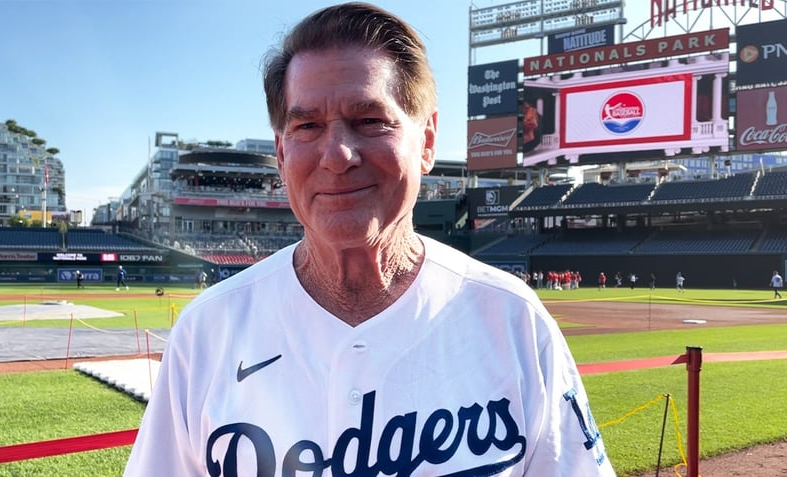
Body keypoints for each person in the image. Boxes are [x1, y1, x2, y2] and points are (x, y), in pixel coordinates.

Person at [124, 4, 614, 476]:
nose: (337, 154)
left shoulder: (513, 319)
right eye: (307, 126)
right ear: (280, 152)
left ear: (426, 141)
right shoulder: (206, 333)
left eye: (370, 121)